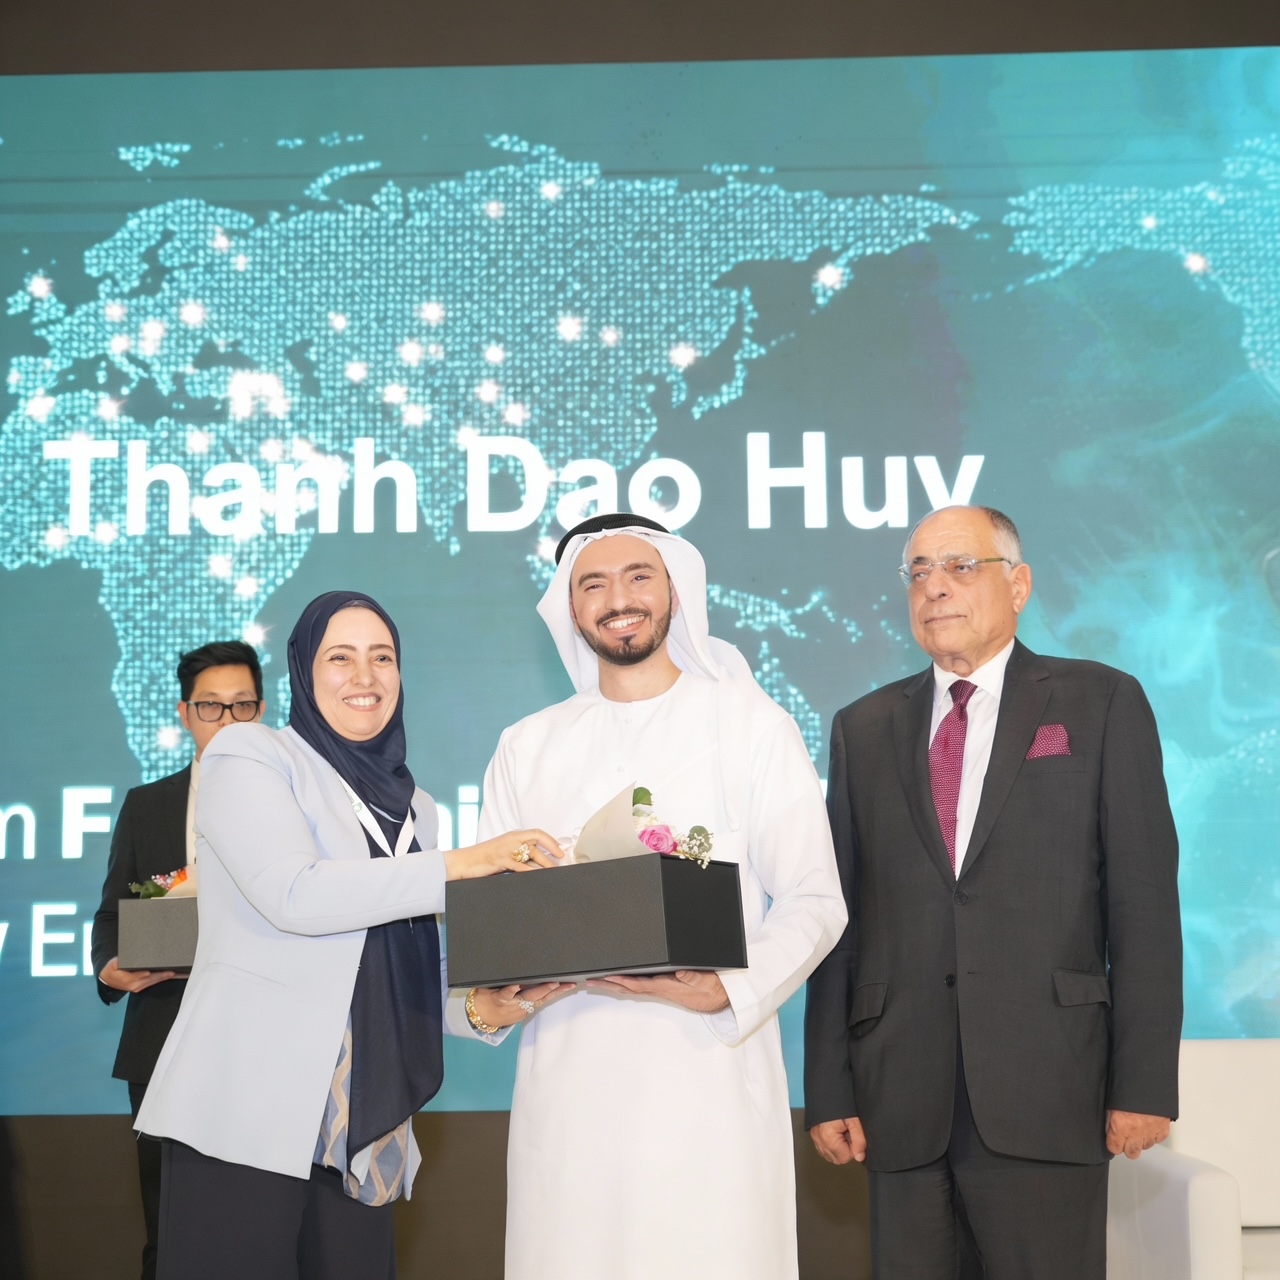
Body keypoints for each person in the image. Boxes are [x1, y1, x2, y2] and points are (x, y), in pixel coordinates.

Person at [135, 592, 565, 1280]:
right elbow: (294, 895)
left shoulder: (415, 807)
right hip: (244, 1115)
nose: (365, 676)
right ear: (304, 672)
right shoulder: (252, 754)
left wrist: (480, 1008)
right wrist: (462, 864)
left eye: (382, 657)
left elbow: (393, 967)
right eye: (341, 657)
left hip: (360, 1119)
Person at [804, 505, 1183, 1279]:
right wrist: (829, 1086)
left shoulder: (1100, 701)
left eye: (959, 566)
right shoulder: (862, 727)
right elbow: (838, 919)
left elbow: (1144, 904)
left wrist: (1144, 1083)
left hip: (1050, 1088)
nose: (935, 587)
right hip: (900, 1099)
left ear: (1019, 585)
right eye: (918, 572)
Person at [469, 513, 847, 1280]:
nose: (619, 599)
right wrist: (496, 993)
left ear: (675, 590)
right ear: (571, 607)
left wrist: (726, 988)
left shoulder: (752, 725)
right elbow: (496, 917)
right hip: (570, 1093)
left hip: (707, 1086)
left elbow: (814, 897)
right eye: (594, 584)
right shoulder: (526, 745)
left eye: (639, 576)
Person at [91, 639, 265, 1280]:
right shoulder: (148, 805)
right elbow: (110, 915)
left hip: (264, 1041)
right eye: (211, 706)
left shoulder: (295, 802)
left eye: (242, 706)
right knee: (169, 1231)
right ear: (185, 713)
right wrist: (111, 966)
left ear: (262, 711)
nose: (228, 720)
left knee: (260, 1227)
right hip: (163, 1037)